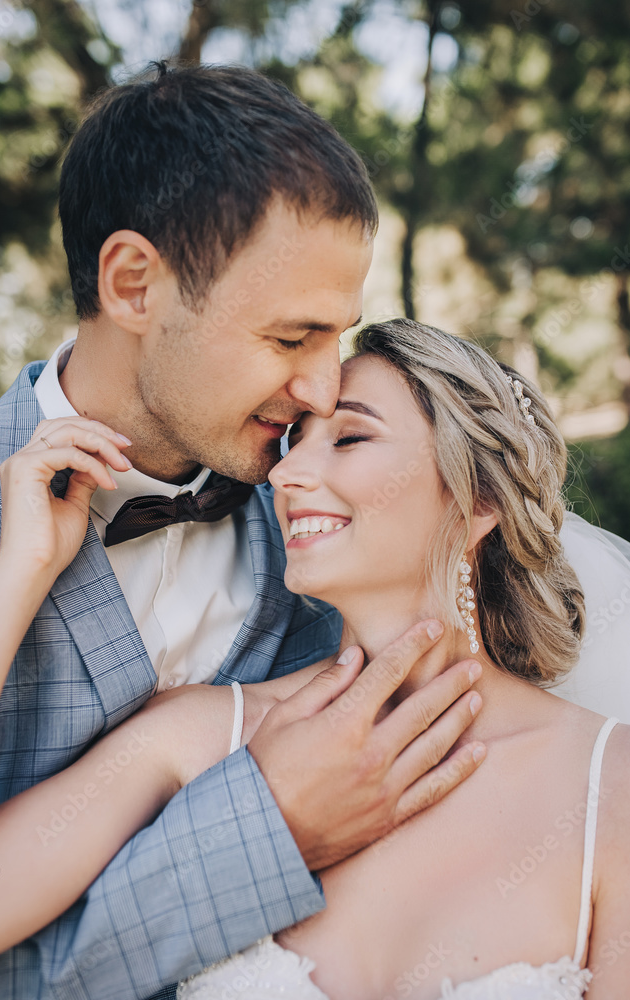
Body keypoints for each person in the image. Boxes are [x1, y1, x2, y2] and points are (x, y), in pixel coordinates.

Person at [0, 64, 483, 999]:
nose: (324, 389)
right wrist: (264, 828)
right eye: (290, 340)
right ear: (133, 284)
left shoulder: (327, 524)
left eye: (338, 338)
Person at [176, 318, 630, 999]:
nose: (286, 471)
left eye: (350, 437)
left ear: (477, 497)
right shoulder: (199, 736)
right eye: (293, 443)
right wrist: (19, 579)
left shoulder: (611, 789)